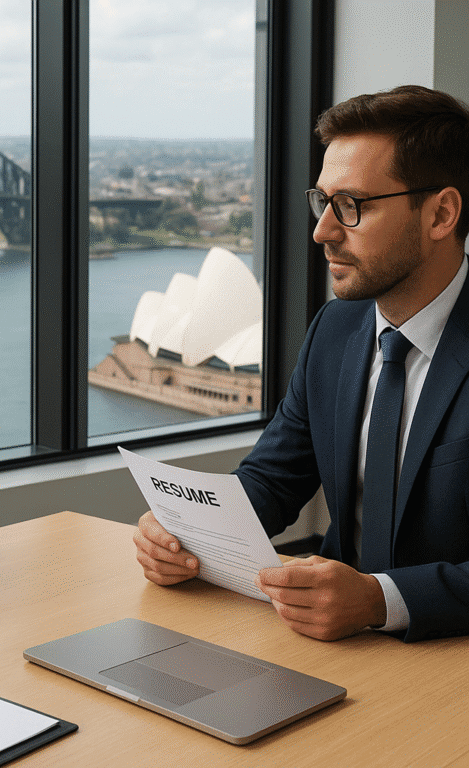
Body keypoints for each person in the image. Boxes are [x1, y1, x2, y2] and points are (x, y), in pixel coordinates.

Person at [133, 84, 469, 643]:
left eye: (351, 206)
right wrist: (184, 533)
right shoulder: (335, 330)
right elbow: (273, 478)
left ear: (441, 214)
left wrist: (381, 600)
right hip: (328, 643)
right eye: (323, 201)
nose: (322, 232)